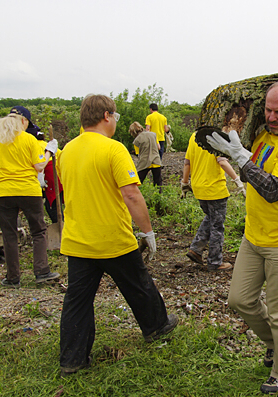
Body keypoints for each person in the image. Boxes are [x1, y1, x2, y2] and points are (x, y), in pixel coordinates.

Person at [206, 82, 278, 394]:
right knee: (239, 299)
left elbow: (272, 190)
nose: (271, 116)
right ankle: (274, 344)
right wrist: (236, 152)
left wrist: (241, 159)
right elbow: (249, 172)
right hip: (254, 235)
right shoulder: (264, 133)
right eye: (268, 109)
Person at [57, 94, 177, 377]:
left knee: (77, 302)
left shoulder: (66, 151)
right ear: (107, 116)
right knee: (138, 285)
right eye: (115, 117)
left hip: (77, 240)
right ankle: (157, 327)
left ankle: (72, 360)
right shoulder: (113, 149)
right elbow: (131, 193)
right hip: (112, 238)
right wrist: (148, 231)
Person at [0, 106, 60, 287]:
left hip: (3, 192)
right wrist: (49, 151)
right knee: (38, 231)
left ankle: (13, 278)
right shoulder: (29, 140)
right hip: (28, 191)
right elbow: (40, 166)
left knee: (9, 234)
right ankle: (41, 271)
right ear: (24, 122)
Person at [181, 131, 245, 271]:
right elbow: (221, 161)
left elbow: (187, 162)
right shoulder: (215, 136)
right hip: (214, 189)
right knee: (217, 225)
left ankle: (196, 249)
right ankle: (215, 262)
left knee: (211, 218)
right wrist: (237, 180)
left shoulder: (194, 136)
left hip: (198, 187)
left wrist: (185, 182)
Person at [27, 124, 64, 224]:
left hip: (50, 177)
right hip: (59, 176)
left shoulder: (34, 145)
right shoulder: (45, 144)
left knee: (53, 207)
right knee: (54, 205)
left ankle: (61, 227)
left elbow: (39, 164)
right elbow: (61, 156)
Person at [129, 121, 163, 192]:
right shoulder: (153, 134)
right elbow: (159, 147)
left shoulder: (136, 141)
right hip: (156, 160)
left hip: (144, 162)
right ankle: (159, 198)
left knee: (138, 181)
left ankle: (136, 195)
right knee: (158, 182)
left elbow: (138, 153)